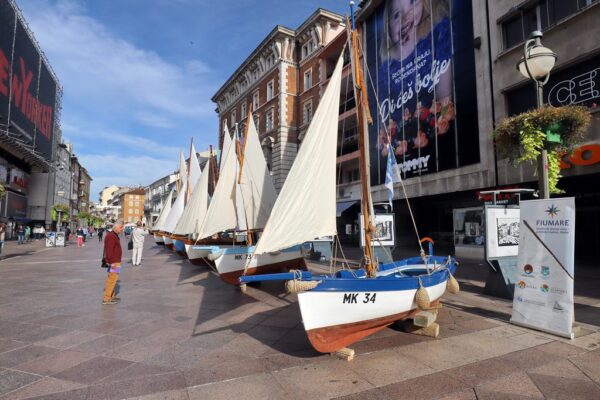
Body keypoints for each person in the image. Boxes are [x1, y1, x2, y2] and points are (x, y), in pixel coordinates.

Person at [102, 220, 124, 305]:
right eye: (121, 228)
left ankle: (111, 296)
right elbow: (109, 250)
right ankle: (107, 298)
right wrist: (111, 262)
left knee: (113, 279)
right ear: (118, 227)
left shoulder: (113, 235)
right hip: (114, 262)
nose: (122, 230)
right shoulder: (111, 236)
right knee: (112, 280)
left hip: (115, 261)